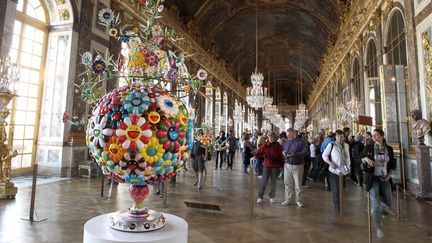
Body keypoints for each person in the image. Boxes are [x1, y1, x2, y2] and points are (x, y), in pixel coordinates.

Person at [361, 128, 396, 239]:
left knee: (388, 204)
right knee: (375, 204)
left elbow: (392, 165)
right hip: (372, 178)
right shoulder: (369, 147)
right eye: (373, 135)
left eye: (376, 135)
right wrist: (366, 159)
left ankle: (379, 210)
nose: (374, 137)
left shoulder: (389, 149)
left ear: (382, 135)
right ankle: (378, 228)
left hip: (384, 178)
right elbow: (361, 159)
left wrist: (390, 174)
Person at [322, 129, 351, 213]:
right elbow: (324, 156)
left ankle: (341, 204)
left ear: (344, 137)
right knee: (335, 189)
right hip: (334, 170)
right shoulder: (331, 145)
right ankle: (337, 207)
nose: (340, 138)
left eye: (341, 136)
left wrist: (348, 167)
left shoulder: (346, 145)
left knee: (342, 189)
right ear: (335, 137)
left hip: (344, 170)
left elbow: (348, 156)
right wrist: (330, 163)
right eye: (338, 136)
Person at [281, 128, 309, 207]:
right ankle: (287, 199)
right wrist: (284, 153)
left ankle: (298, 200)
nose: (288, 136)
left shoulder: (301, 142)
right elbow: (283, 150)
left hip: (298, 165)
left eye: (289, 135)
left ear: (294, 134)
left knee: (298, 184)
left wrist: (295, 154)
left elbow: (305, 152)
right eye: (287, 135)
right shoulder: (286, 142)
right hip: (287, 164)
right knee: (287, 183)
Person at [255, 131, 284, 204]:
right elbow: (260, 152)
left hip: (276, 166)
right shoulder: (265, 145)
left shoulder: (279, 146)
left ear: (275, 138)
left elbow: (281, 156)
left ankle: (272, 197)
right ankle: (260, 197)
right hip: (267, 165)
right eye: (269, 137)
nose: (270, 139)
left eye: (272, 138)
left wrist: (282, 165)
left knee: (274, 182)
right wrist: (255, 153)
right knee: (264, 182)